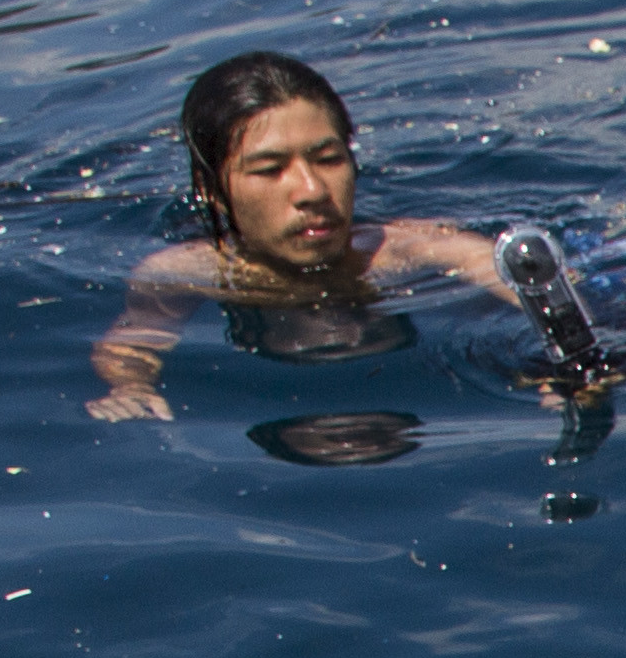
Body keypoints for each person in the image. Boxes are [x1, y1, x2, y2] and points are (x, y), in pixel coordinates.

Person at [88, 51, 514, 421]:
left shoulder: (419, 248)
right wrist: (130, 388)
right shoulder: (182, 273)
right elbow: (130, 346)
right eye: (269, 170)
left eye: (328, 160)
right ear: (211, 191)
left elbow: (531, 291)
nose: (312, 191)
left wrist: (550, 365)